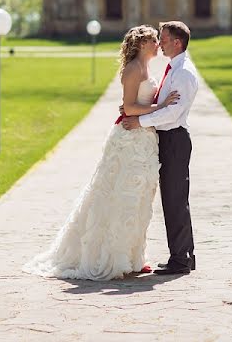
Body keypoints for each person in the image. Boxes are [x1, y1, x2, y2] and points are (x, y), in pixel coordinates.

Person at [24, 25, 179, 281]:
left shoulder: (145, 67)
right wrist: (160, 105)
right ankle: (111, 257)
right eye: (153, 40)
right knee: (120, 197)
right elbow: (129, 107)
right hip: (129, 142)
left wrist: (152, 110)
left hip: (144, 140)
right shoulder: (132, 69)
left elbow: (135, 105)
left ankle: (133, 257)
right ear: (142, 44)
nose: (158, 44)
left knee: (138, 200)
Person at [122, 20, 198, 276]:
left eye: (163, 39)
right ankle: (184, 255)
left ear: (177, 42)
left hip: (175, 139)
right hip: (166, 139)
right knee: (172, 199)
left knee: (175, 200)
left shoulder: (184, 72)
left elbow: (173, 113)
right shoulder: (173, 68)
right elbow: (162, 105)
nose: (160, 43)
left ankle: (181, 259)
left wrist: (140, 120)